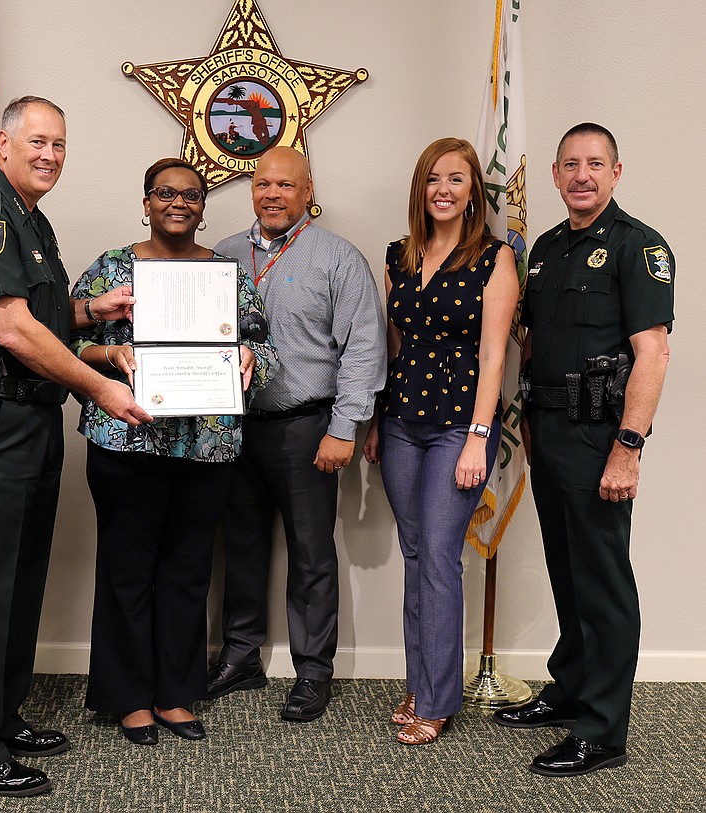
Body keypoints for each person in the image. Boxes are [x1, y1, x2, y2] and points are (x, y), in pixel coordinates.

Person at [0, 96, 151, 797]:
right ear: (3, 143)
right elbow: (12, 331)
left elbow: (42, 313)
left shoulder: (32, 219)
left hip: (31, 422)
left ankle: (2, 715)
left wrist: (93, 310)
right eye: (37, 142)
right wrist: (99, 386)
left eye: (59, 144)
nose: (50, 155)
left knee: (21, 582)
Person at [70, 158, 276, 746]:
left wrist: (251, 362)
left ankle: (175, 693)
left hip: (206, 444)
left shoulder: (228, 276)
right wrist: (110, 358)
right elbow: (66, 340)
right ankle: (130, 697)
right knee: (127, 569)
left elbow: (265, 349)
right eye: (165, 193)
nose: (178, 203)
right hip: (126, 440)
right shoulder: (112, 267)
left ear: (204, 206)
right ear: (146, 201)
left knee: (187, 572)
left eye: (191, 194)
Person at [492, 123, 674, 776]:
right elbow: (536, 343)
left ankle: (603, 730)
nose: (582, 175)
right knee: (568, 573)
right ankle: (569, 689)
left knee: (603, 585)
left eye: (595, 164)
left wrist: (628, 447)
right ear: (555, 174)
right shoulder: (543, 249)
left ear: (616, 173)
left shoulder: (638, 246)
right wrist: (532, 426)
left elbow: (653, 352)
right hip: (550, 430)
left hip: (602, 437)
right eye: (570, 164)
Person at [208, 146, 386, 722]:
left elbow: (363, 348)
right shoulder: (225, 255)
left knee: (311, 553)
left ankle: (313, 670)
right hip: (235, 428)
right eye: (263, 184)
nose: (273, 194)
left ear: (308, 191)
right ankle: (240, 655)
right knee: (240, 546)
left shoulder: (338, 259)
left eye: (286, 185)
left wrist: (344, 429)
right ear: (251, 190)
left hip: (309, 426)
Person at [362, 138, 518, 745]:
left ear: (474, 189)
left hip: (459, 424)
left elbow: (494, 354)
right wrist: (378, 419)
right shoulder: (398, 255)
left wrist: (480, 437)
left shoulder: (495, 258)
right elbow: (394, 344)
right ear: (420, 189)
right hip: (402, 422)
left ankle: (437, 698)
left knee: (439, 557)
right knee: (416, 553)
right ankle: (422, 678)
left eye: (456, 179)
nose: (443, 190)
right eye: (433, 179)